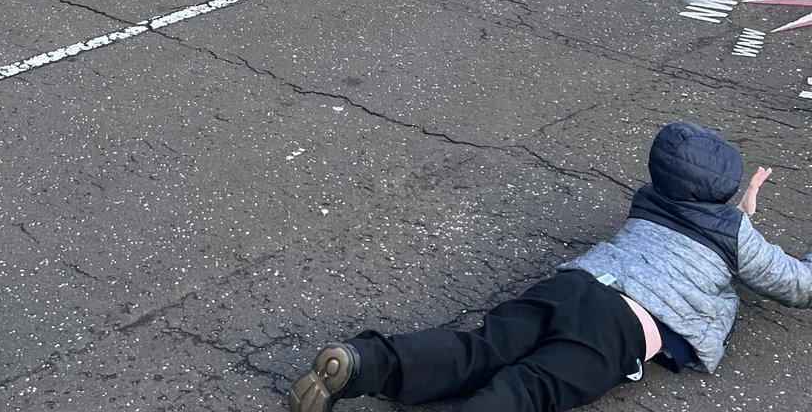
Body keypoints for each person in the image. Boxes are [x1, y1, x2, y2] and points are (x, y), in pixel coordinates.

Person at [289, 121, 812, 412]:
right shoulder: (735, 233)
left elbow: (686, 223)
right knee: (535, 385)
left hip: (574, 285)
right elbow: (794, 284)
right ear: (725, 189)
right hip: (624, 324)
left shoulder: (650, 198)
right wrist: (745, 222)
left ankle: (369, 363)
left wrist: (733, 219)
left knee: (481, 346)